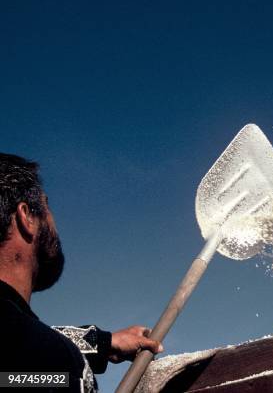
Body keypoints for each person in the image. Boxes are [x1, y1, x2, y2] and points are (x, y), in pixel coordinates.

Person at [0, 153, 163, 392]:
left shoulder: (30, 353)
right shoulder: (50, 359)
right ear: (26, 217)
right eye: (46, 206)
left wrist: (103, 343)